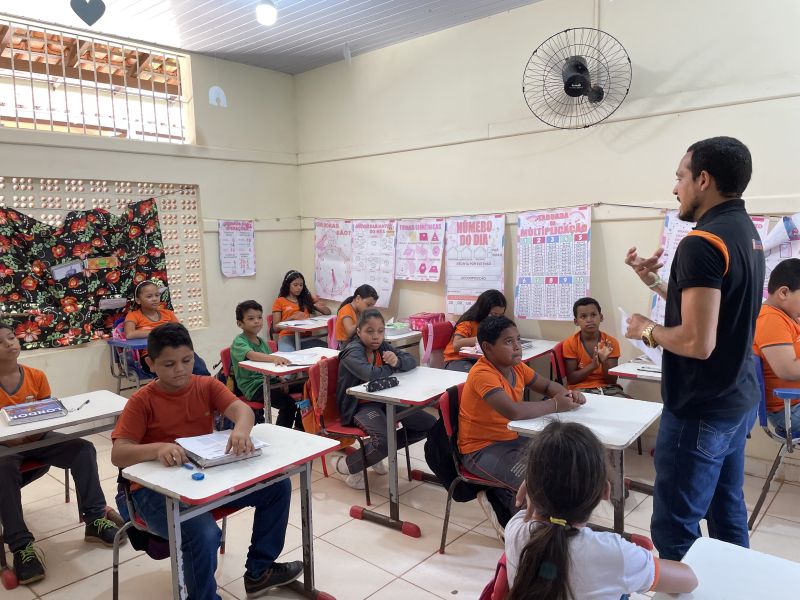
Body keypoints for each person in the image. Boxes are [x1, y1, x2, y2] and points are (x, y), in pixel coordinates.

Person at [624, 136, 765, 560]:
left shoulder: (700, 242)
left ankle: (691, 587)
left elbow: (697, 342)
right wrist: (653, 282)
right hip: (736, 400)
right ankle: (736, 585)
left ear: (703, 179)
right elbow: (712, 313)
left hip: (700, 409)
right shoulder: (746, 233)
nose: (675, 189)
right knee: (727, 512)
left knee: (673, 528)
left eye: (680, 177)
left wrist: (646, 329)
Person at [111, 323, 302, 600]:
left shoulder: (205, 385)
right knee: (203, 533)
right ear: (151, 364)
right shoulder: (142, 401)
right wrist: (157, 449)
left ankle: (259, 572)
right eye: (169, 364)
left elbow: (242, 410)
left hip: (200, 480)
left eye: (187, 360)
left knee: (277, 487)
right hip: (152, 493)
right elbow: (119, 453)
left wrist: (241, 430)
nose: (180, 369)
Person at [505, 421, 698, 599]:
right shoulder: (615, 554)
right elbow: (689, 580)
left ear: (530, 489)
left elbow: (531, 516)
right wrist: (636, 563)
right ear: (605, 491)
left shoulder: (515, 529)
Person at [0, 322, 123, 585]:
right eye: (1, 342)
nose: (10, 343)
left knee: (83, 449)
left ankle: (94, 519)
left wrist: (38, 430)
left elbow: (49, 412)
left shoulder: (35, 376)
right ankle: (21, 546)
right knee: (3, 466)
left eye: (11, 337)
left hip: (39, 440)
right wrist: (12, 439)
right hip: (5, 448)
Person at [458, 315, 584, 534]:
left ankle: (554, 523)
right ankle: (523, 533)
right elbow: (513, 411)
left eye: (518, 339)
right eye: (508, 342)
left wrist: (568, 395)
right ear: (487, 348)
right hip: (480, 449)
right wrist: (556, 404)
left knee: (560, 460)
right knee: (533, 482)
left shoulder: (516, 367)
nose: (517, 346)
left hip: (513, 437)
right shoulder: (482, 374)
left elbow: (547, 385)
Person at [334, 309, 431, 489]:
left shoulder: (381, 346)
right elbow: (370, 374)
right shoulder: (352, 351)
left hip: (384, 400)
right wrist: (393, 367)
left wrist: (397, 361)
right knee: (383, 441)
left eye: (380, 331)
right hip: (359, 405)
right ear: (358, 332)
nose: (376, 336)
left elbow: (410, 360)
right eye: (370, 331)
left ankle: (373, 454)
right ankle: (345, 465)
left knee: (427, 424)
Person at [230, 300, 303, 428]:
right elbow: (251, 355)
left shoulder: (262, 342)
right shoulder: (239, 342)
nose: (257, 321)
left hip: (270, 381)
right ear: (240, 323)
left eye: (259, 317)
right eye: (251, 318)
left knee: (306, 387)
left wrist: (281, 379)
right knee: (288, 404)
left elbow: (270, 365)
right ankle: (280, 434)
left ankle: (300, 427)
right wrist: (274, 358)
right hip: (254, 387)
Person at [753, 258, 800, 436]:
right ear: (784, 292)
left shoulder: (788, 316)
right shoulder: (770, 318)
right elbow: (788, 370)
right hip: (790, 410)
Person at [124, 280, 210, 375]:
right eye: (149, 296)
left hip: (176, 349)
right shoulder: (133, 315)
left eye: (157, 295)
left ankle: (205, 382)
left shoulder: (168, 313)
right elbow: (129, 334)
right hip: (152, 354)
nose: (154, 299)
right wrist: (159, 333)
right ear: (138, 300)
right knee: (174, 376)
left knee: (200, 370)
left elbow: (180, 331)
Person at [562, 297, 626, 396]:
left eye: (593, 315)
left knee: (626, 404)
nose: (589, 320)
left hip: (609, 388)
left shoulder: (610, 343)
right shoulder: (570, 343)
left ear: (601, 317)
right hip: (580, 389)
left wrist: (604, 362)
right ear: (576, 321)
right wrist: (593, 366)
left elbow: (612, 380)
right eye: (583, 316)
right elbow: (572, 379)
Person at [442, 289, 507, 372]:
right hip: (457, 360)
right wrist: (481, 339)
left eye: (501, 315)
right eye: (494, 314)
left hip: (478, 359)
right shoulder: (468, 323)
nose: (497, 319)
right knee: (479, 374)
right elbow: (456, 344)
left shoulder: (495, 323)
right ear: (483, 310)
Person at [272, 270, 331, 352]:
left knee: (327, 349)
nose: (299, 288)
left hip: (305, 337)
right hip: (288, 336)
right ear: (288, 285)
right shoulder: (280, 301)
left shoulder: (305, 299)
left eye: (301, 285)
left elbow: (327, 312)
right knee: (288, 356)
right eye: (295, 285)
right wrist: (292, 317)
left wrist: (313, 305)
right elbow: (275, 328)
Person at [335, 284, 379, 348]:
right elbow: (350, 333)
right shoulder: (346, 310)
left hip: (355, 341)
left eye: (372, 306)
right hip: (345, 344)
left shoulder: (359, 310)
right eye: (368, 305)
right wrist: (363, 319)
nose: (370, 308)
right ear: (358, 299)